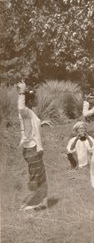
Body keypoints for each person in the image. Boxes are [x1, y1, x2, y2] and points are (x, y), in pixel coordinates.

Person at [17, 81, 51, 211]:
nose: (37, 100)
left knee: (40, 175)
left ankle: (42, 202)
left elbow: (30, 126)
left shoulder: (30, 113)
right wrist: (21, 92)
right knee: (36, 177)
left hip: (33, 149)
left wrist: (41, 123)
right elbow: (21, 108)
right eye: (35, 98)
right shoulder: (25, 111)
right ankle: (29, 203)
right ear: (30, 101)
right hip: (31, 149)